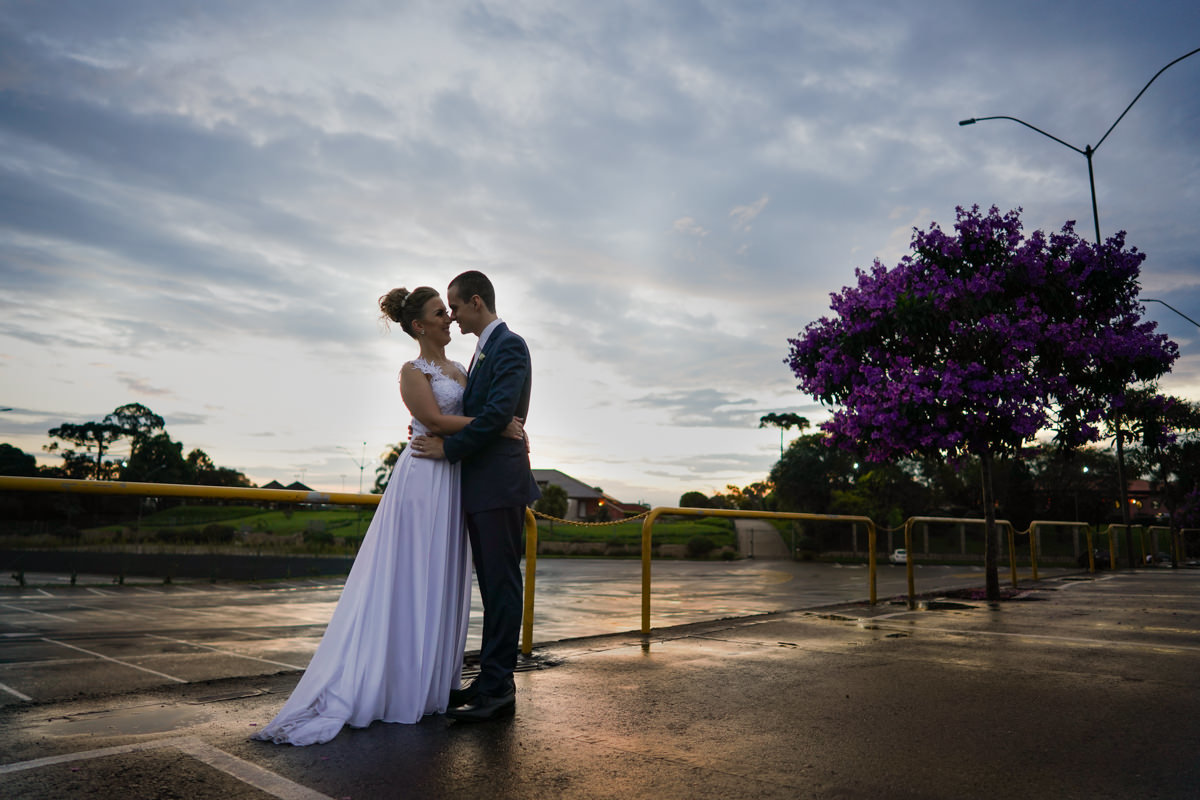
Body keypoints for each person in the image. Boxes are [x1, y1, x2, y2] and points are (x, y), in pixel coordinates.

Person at [252, 285, 523, 746]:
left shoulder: (462, 368)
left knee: (440, 578)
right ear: (419, 326)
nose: (449, 318)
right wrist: (500, 426)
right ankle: (392, 682)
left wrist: (491, 427)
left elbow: (475, 414)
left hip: (454, 479)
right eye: (440, 313)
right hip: (423, 477)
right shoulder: (411, 371)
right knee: (410, 574)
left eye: (450, 310)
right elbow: (433, 421)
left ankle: (430, 683)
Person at [411, 270, 540, 722]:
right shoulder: (482, 351)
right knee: (492, 586)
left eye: (456, 307)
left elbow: (498, 414)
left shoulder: (509, 345)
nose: (453, 316)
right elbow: (480, 414)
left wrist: (448, 449)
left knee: (501, 586)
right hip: (482, 483)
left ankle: (499, 688)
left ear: (477, 302)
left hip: (499, 483)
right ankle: (488, 681)